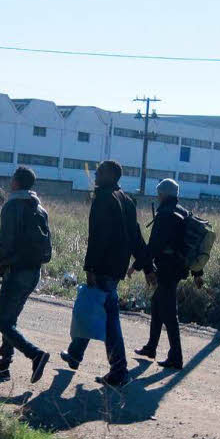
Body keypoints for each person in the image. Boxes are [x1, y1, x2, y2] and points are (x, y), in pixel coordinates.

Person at [60, 160, 147, 388]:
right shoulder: (127, 200)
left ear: (110, 175)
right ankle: (75, 354)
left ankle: (119, 370)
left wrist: (90, 268)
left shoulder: (104, 198)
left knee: (108, 319)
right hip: (116, 267)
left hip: (103, 267)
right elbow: (136, 237)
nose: (95, 175)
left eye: (99, 172)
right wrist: (147, 265)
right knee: (93, 307)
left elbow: (98, 237)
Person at [131, 178, 203, 370]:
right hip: (179, 268)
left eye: (158, 192)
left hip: (168, 269)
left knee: (169, 313)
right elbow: (192, 245)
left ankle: (176, 357)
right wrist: (198, 272)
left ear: (163, 194)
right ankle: (151, 347)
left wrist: (136, 265)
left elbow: (154, 246)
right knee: (157, 304)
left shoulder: (165, 214)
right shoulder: (184, 212)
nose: (157, 195)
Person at [0, 166, 51, 384]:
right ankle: (3, 367)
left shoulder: (13, 204)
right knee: (11, 319)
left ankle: (36, 355)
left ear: (16, 181)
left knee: (4, 323)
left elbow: (5, 240)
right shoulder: (39, 208)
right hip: (34, 271)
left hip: (16, 271)